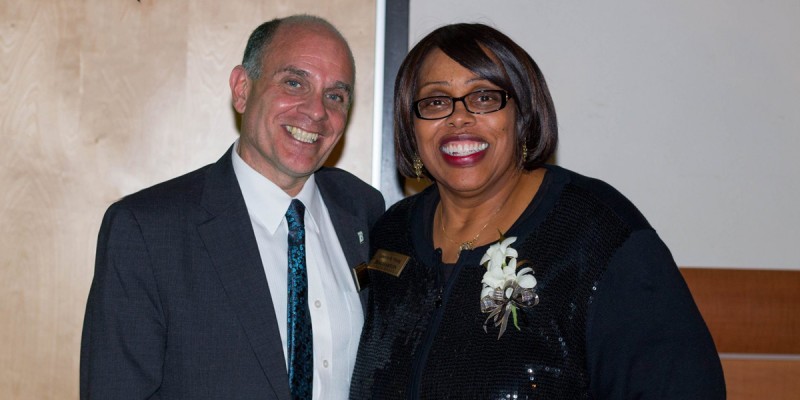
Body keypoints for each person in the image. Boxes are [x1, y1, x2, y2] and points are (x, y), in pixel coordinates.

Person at [350, 23, 725, 399]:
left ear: (523, 114)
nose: (458, 118)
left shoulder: (598, 234)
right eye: (435, 101)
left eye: (484, 97)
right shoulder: (390, 235)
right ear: (409, 124)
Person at [80, 15, 385, 400]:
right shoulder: (147, 230)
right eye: (294, 83)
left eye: (336, 96)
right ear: (242, 89)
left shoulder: (363, 210)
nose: (316, 111)